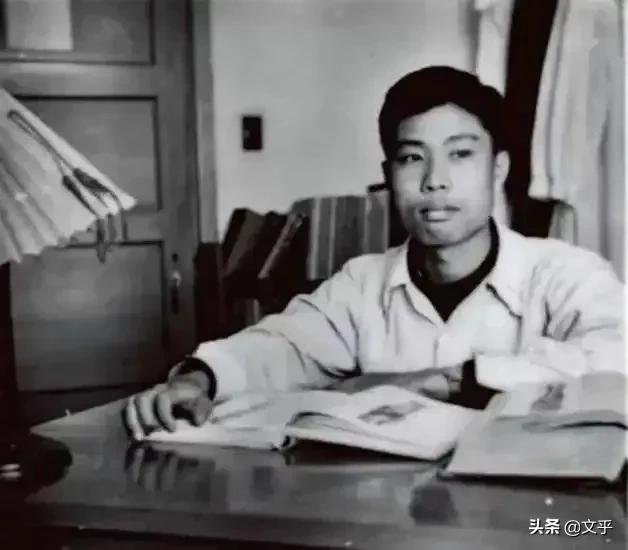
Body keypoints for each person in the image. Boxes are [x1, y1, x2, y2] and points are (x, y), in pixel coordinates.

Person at [125, 66, 624, 440]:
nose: (435, 180)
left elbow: (617, 358)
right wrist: (198, 380)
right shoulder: (363, 283)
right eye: (412, 158)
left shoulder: (563, 272)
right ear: (388, 176)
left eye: (460, 154)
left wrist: (452, 380)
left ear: (499, 169)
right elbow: (282, 346)